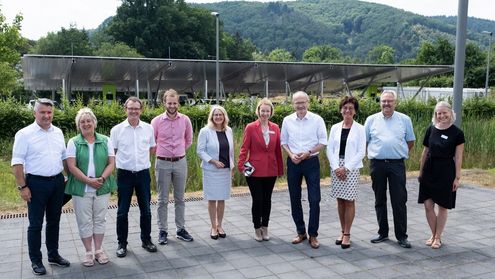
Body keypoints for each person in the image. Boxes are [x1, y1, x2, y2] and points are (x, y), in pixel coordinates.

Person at [11, 98, 71, 275]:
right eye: (42, 112)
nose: (46, 115)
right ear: (34, 113)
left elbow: (64, 157)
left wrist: (67, 177)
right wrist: (23, 187)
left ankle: (53, 255)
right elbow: (17, 163)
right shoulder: (24, 134)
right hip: (36, 184)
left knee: (54, 221)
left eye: (49, 112)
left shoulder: (58, 132)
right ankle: (36, 261)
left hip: (57, 182)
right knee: (35, 224)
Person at [364, 90, 415, 249]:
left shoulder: (404, 119)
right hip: (377, 164)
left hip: (396, 164)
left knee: (399, 200)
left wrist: (397, 152)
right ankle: (382, 232)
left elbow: (410, 141)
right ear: (380, 102)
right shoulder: (371, 120)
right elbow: (365, 141)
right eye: (384, 101)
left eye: (390, 101)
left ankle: (401, 236)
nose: (386, 104)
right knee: (380, 199)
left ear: (395, 102)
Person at [65, 108, 116, 267]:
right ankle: (88, 252)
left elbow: (112, 163)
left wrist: (101, 178)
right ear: (78, 125)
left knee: (100, 219)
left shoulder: (106, 140)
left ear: (94, 123)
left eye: (89, 121)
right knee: (84, 220)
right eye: (82, 122)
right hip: (81, 189)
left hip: (101, 186)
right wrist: (88, 181)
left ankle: (99, 250)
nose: (86, 124)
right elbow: (71, 166)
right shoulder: (73, 142)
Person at [110, 97, 157, 257]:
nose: (134, 111)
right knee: (122, 211)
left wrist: (141, 162)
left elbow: (151, 149)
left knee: (146, 210)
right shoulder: (117, 130)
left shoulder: (148, 128)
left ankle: (146, 240)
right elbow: (113, 153)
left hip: (143, 174)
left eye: (137, 108)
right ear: (125, 109)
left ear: (141, 110)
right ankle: (122, 244)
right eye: (131, 108)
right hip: (124, 175)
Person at [281, 91, 327, 249]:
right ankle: (301, 232)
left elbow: (323, 142)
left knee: (314, 199)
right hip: (293, 162)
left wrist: (309, 152)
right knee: (295, 198)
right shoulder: (287, 120)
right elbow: (284, 142)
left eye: (303, 102)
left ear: (308, 102)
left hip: (311, 161)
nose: (300, 105)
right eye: (296, 102)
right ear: (292, 104)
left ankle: (313, 234)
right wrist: (291, 154)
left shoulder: (317, 119)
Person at [418, 101, 464, 249]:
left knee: (442, 205)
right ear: (435, 115)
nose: (442, 115)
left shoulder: (457, 133)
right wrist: (421, 171)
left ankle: (437, 237)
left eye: (445, 112)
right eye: (439, 113)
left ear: (451, 113)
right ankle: (433, 233)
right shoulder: (430, 129)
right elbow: (425, 152)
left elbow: (458, 157)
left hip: (446, 171)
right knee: (427, 205)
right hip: (429, 169)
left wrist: (457, 177)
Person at [151, 88, 194, 244]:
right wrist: (163, 153)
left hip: (180, 162)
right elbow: (152, 142)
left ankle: (180, 229)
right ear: (164, 103)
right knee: (162, 199)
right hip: (162, 162)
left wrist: (179, 152)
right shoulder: (156, 121)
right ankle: (162, 231)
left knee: (180, 198)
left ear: (178, 103)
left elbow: (189, 140)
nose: (172, 105)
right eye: (169, 102)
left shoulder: (185, 120)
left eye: (175, 102)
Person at [238, 98, 284, 241]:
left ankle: (265, 227)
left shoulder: (275, 128)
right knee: (257, 200)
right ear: (258, 111)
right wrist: (241, 164)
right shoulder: (251, 127)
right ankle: (257, 228)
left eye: (267, 111)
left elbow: (278, 150)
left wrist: (280, 169)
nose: (264, 113)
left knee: (267, 200)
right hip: (254, 170)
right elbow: (244, 148)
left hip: (271, 169)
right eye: (262, 110)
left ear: (271, 112)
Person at [326, 96, 366, 249]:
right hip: (336, 167)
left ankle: (347, 233)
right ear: (341, 110)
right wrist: (336, 167)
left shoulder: (360, 129)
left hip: (351, 167)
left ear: (355, 111)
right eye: (345, 107)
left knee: (349, 200)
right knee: (340, 200)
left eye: (351, 108)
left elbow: (361, 152)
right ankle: (342, 231)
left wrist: (346, 168)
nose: (347, 110)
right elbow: (330, 149)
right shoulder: (335, 127)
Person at [197, 105, 234, 239]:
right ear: (211, 117)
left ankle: (220, 225)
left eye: (220, 114)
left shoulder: (228, 130)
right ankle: (213, 226)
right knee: (212, 199)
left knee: (222, 199)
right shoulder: (205, 131)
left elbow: (231, 151)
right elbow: (200, 151)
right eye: (215, 115)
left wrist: (232, 167)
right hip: (211, 170)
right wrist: (213, 161)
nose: (218, 117)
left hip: (225, 171)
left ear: (224, 117)